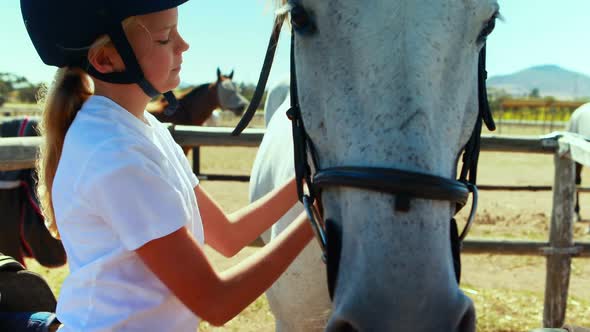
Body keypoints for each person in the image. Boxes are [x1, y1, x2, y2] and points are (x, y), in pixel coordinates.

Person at [20, 1, 313, 331]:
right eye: (164, 38)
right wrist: (316, 215)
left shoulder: (144, 127)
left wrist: (309, 180)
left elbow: (229, 236)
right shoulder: (114, 153)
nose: (184, 45)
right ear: (107, 59)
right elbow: (217, 302)